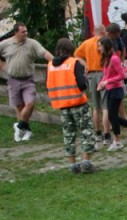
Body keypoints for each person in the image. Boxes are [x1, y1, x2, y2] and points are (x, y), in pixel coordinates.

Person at [0, 22, 53, 142]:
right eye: (23, 32)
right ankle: (26, 131)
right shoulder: (6, 43)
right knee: (19, 107)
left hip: (28, 80)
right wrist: (1, 65)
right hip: (13, 80)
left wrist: (55, 61)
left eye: (26, 31)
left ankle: (19, 126)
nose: (26, 33)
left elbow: (44, 52)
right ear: (16, 32)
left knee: (30, 104)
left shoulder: (32, 43)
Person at [46, 38, 95, 174]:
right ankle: (86, 161)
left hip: (62, 105)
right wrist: (85, 79)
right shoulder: (74, 63)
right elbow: (82, 84)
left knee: (68, 134)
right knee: (86, 131)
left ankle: (73, 164)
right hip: (78, 103)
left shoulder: (50, 65)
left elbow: (49, 84)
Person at [97, 37, 127, 151]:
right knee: (111, 116)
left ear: (106, 46)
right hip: (109, 89)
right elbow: (106, 74)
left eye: (100, 46)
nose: (98, 48)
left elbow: (122, 75)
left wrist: (107, 81)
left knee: (112, 116)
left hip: (116, 89)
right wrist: (101, 83)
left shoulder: (114, 59)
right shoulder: (106, 59)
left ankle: (117, 141)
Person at [74, 25, 107, 144]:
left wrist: (85, 64)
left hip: (91, 75)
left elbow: (76, 55)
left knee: (95, 106)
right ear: (104, 32)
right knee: (106, 106)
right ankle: (108, 132)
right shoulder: (104, 42)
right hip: (103, 73)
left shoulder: (86, 43)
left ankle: (98, 132)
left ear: (93, 32)